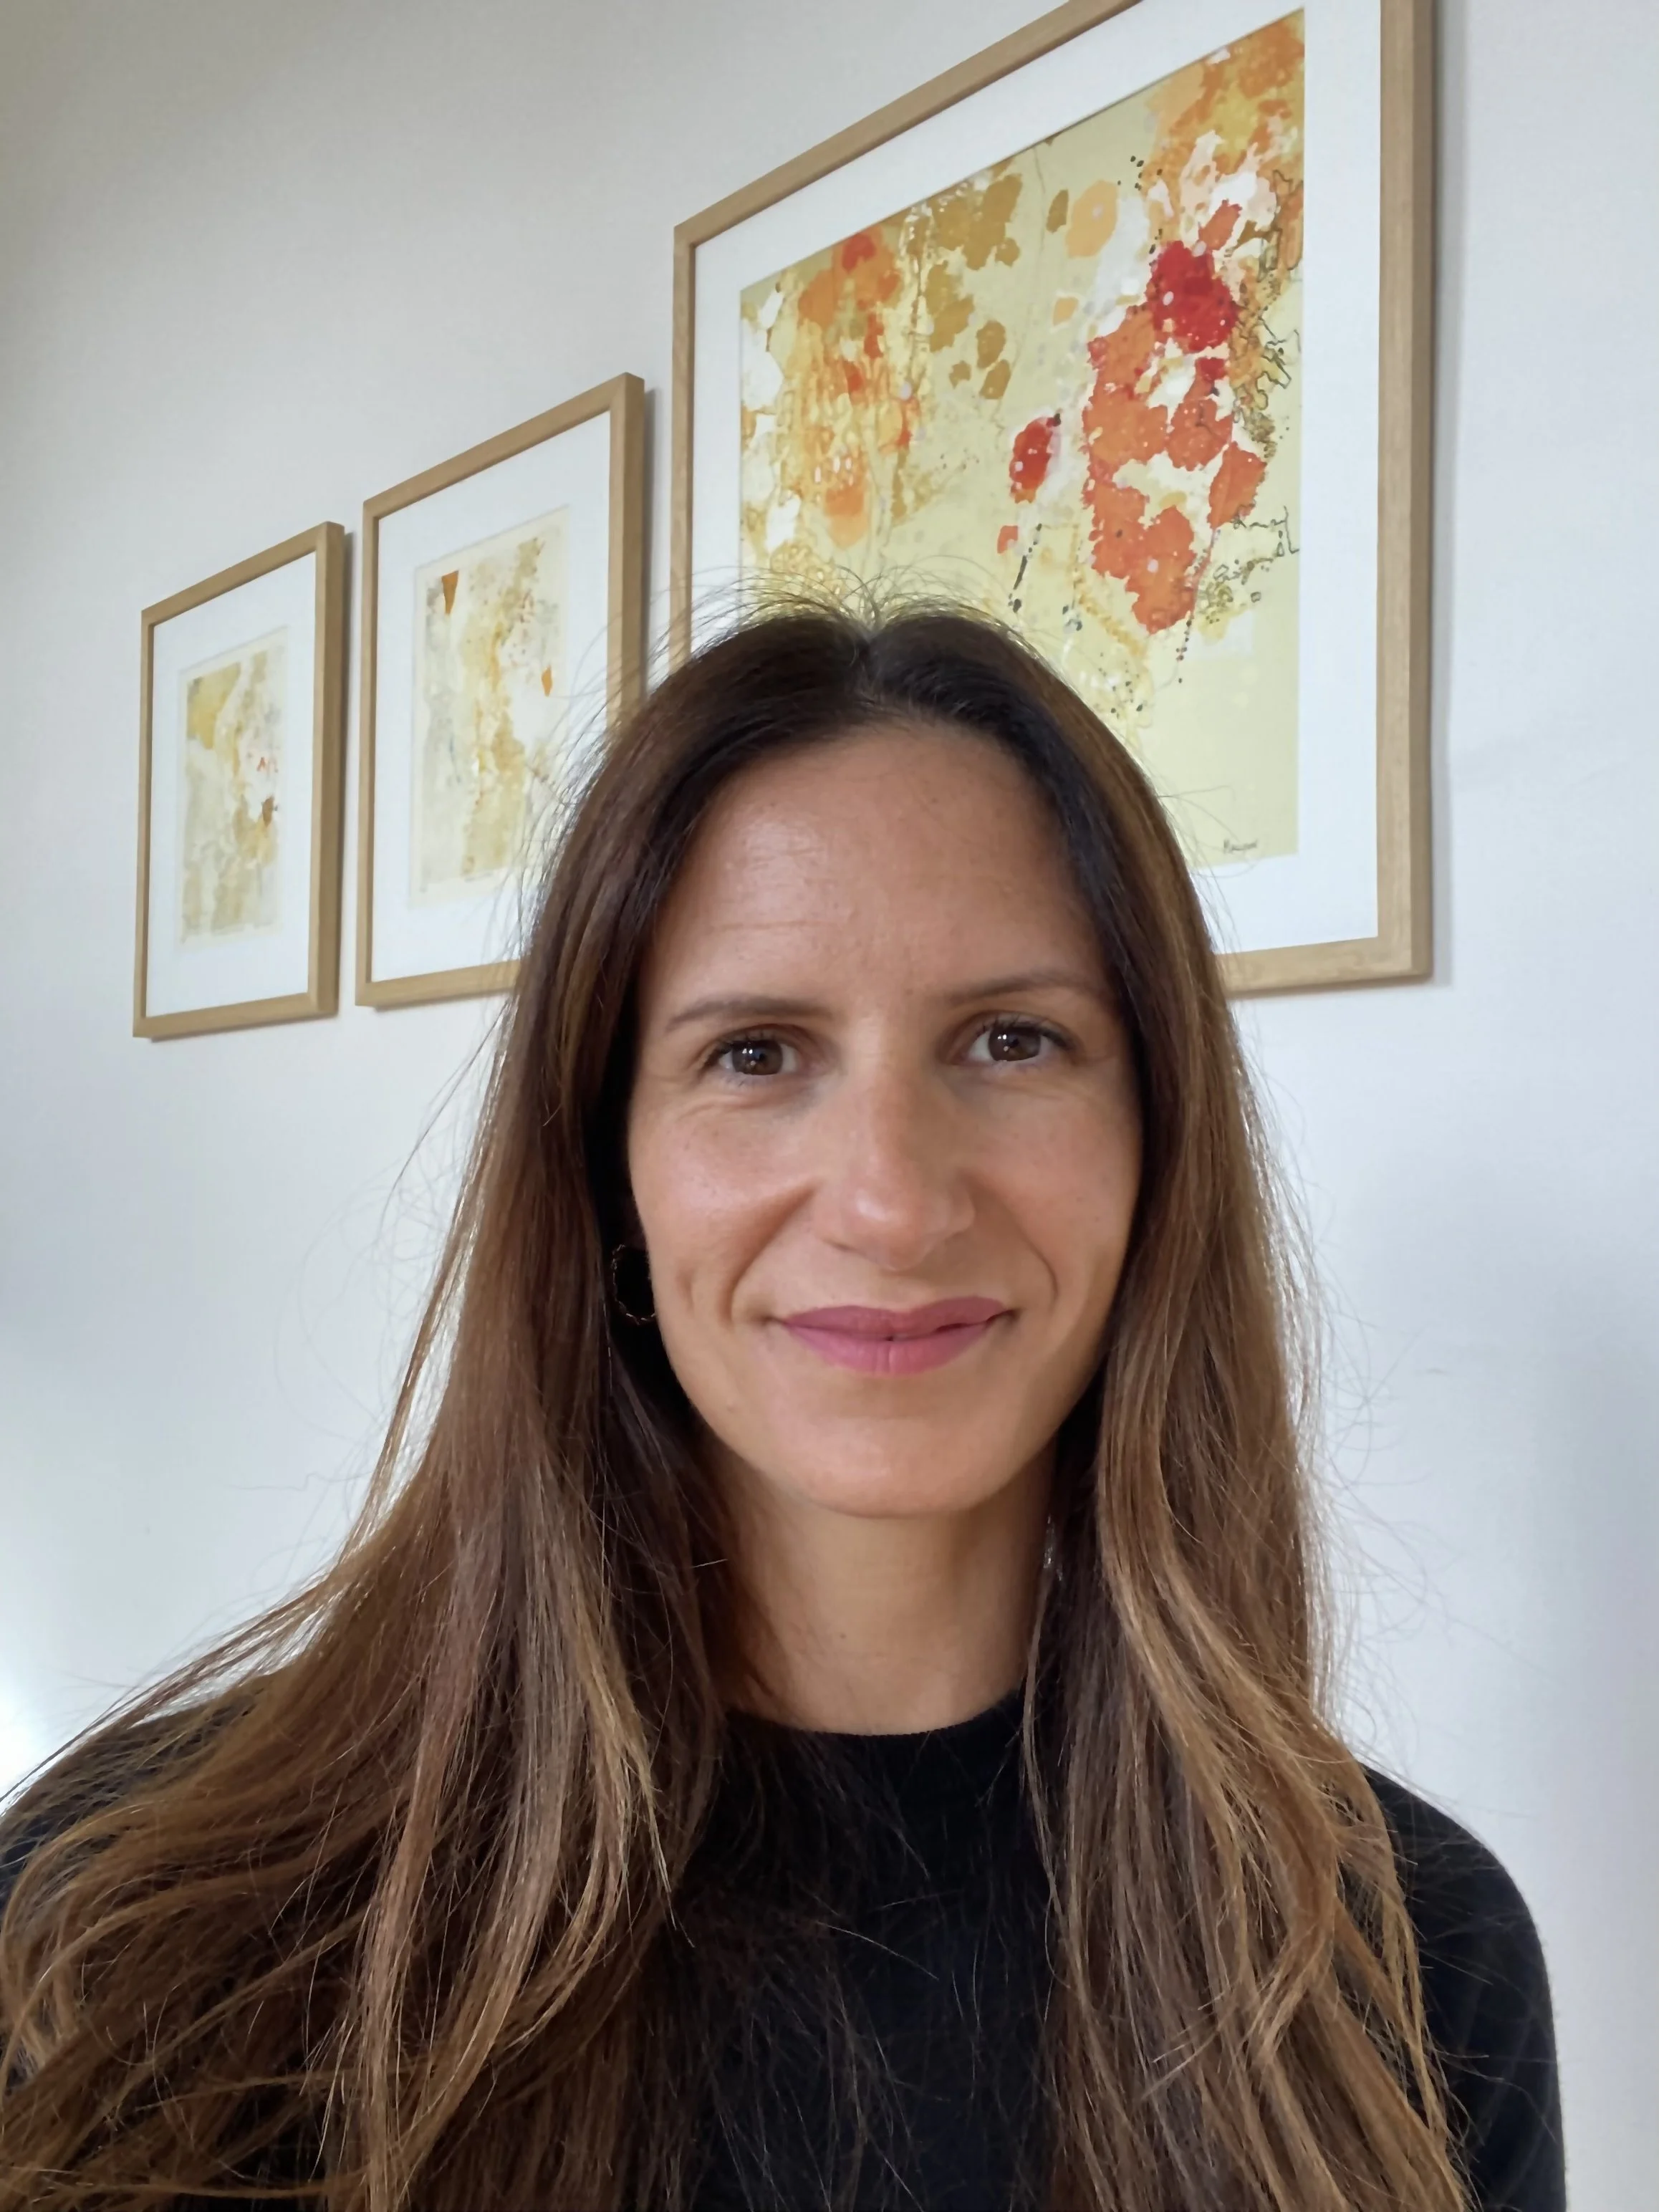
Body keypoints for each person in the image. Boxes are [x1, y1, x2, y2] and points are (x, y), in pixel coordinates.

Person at [0, 605, 1563, 2211]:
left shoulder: (1414, 1961)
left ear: (1158, 1139)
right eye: (756, 1053)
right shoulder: (125, 1929)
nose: (890, 1198)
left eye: (1013, 1039)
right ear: (608, 1166)